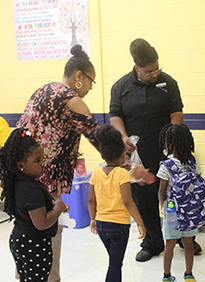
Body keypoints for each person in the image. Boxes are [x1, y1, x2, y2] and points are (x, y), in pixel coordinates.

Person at [17, 44, 154, 282]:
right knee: (48, 240)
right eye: (91, 81)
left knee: (27, 240)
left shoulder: (43, 90)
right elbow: (102, 141)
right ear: (78, 76)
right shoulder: (71, 100)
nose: (91, 87)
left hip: (22, 180)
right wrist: (134, 170)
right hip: (45, 184)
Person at [109, 38, 202, 262]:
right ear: (136, 68)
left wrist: (174, 138)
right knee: (144, 196)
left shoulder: (168, 83)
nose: (155, 74)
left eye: (157, 68)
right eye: (149, 71)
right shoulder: (120, 87)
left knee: (177, 193)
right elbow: (115, 116)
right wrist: (122, 137)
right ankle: (152, 241)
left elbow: (176, 113)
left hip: (169, 150)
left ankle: (182, 236)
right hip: (139, 152)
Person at [0, 128, 68, 282]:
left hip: (20, 240)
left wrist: (52, 205)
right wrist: (58, 208)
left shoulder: (19, 183)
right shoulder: (31, 189)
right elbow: (41, 222)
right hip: (34, 245)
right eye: (37, 161)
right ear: (20, 165)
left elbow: (30, 207)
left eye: (43, 159)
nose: (43, 164)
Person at [88, 124, 146, 282]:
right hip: (118, 226)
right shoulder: (122, 174)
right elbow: (128, 202)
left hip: (101, 226)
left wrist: (92, 218)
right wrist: (140, 223)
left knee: (114, 261)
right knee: (115, 265)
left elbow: (91, 200)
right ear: (123, 154)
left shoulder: (96, 173)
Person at [157, 123, 199, 282]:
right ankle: (189, 274)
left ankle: (167, 276)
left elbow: (161, 190)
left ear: (168, 144)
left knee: (170, 243)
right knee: (188, 243)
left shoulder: (166, 165)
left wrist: (162, 206)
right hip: (190, 210)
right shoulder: (193, 163)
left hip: (172, 211)